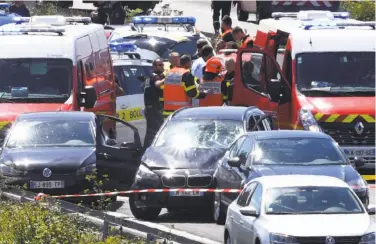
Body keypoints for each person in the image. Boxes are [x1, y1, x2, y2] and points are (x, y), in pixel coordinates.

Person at [143, 58, 165, 150]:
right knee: (160, 129)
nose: (162, 66)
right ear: (154, 67)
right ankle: (152, 149)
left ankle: (145, 149)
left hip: (151, 108)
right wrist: (166, 78)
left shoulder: (151, 76)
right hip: (153, 108)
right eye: (159, 65)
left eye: (162, 64)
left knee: (151, 131)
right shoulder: (155, 76)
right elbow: (157, 84)